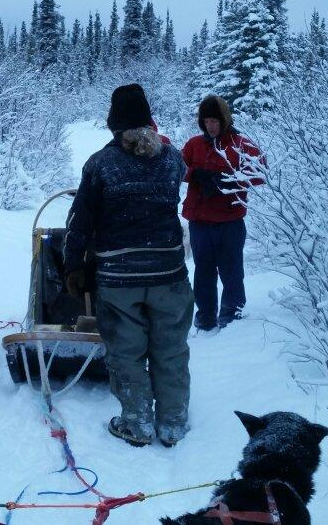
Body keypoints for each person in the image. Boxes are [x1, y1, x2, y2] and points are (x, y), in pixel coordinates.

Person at [62, 84, 192, 448]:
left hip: (119, 279)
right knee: (171, 348)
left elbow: (80, 222)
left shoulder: (100, 165)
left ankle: (136, 422)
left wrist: (73, 266)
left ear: (113, 124)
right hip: (169, 274)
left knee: (126, 351)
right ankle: (173, 422)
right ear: (149, 121)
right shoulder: (173, 159)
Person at [181, 95, 265, 332]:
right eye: (206, 121)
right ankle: (205, 317)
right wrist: (196, 174)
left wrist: (227, 181)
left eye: (215, 121)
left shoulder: (240, 145)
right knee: (203, 272)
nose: (211, 126)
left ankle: (232, 317)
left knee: (231, 271)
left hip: (229, 221)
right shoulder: (194, 145)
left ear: (224, 120)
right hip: (200, 222)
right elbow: (177, 167)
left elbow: (260, 172)